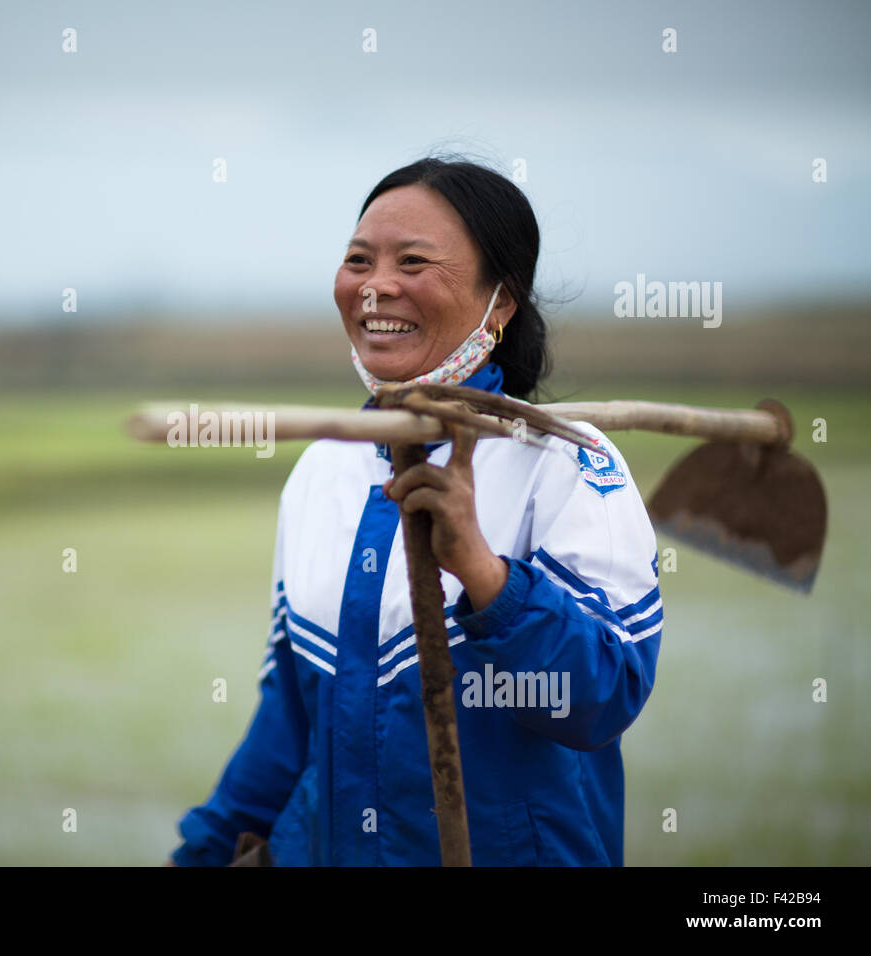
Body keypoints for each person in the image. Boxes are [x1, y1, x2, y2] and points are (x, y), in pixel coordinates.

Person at [168, 157, 662, 866]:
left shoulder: (565, 463)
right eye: (359, 260)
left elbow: (602, 697)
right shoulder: (323, 467)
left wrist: (486, 576)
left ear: (501, 301)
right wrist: (205, 853)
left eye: (413, 262)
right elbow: (290, 716)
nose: (377, 286)